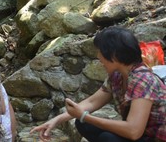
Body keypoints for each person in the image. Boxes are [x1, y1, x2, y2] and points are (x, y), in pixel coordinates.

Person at [31, 27, 166, 142]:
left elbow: (133, 131)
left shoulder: (143, 80)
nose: (98, 56)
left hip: (154, 138)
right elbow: (91, 102)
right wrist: (56, 120)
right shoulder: (117, 76)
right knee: (83, 124)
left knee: (107, 138)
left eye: (100, 51)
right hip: (141, 135)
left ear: (114, 55)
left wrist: (85, 116)